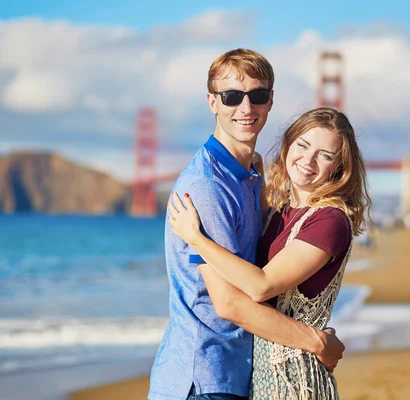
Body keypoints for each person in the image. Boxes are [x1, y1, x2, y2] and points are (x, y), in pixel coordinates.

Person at [148, 50, 345, 400]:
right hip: (202, 378)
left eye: (257, 95)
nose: (245, 108)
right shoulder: (207, 187)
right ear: (212, 102)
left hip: (234, 375)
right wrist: (316, 342)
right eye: (231, 96)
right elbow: (228, 303)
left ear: (270, 101)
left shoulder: (250, 176)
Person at [167, 107, 371, 399]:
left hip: (296, 381)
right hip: (265, 376)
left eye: (325, 155)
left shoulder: (329, 220)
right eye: (302, 145)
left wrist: (196, 238)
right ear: (288, 144)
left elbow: (260, 285)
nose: (308, 160)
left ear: (339, 167)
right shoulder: (284, 213)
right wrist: (255, 176)